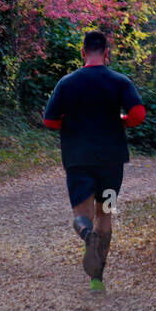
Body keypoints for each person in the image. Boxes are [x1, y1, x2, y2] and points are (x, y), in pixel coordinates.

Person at [43, 30, 145, 291]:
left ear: (82, 52)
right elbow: (137, 114)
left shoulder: (66, 83)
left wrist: (70, 123)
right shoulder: (120, 81)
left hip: (78, 159)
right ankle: (97, 279)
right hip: (111, 161)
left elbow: (49, 121)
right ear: (107, 52)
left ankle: (87, 236)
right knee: (106, 213)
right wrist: (122, 120)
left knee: (82, 215)